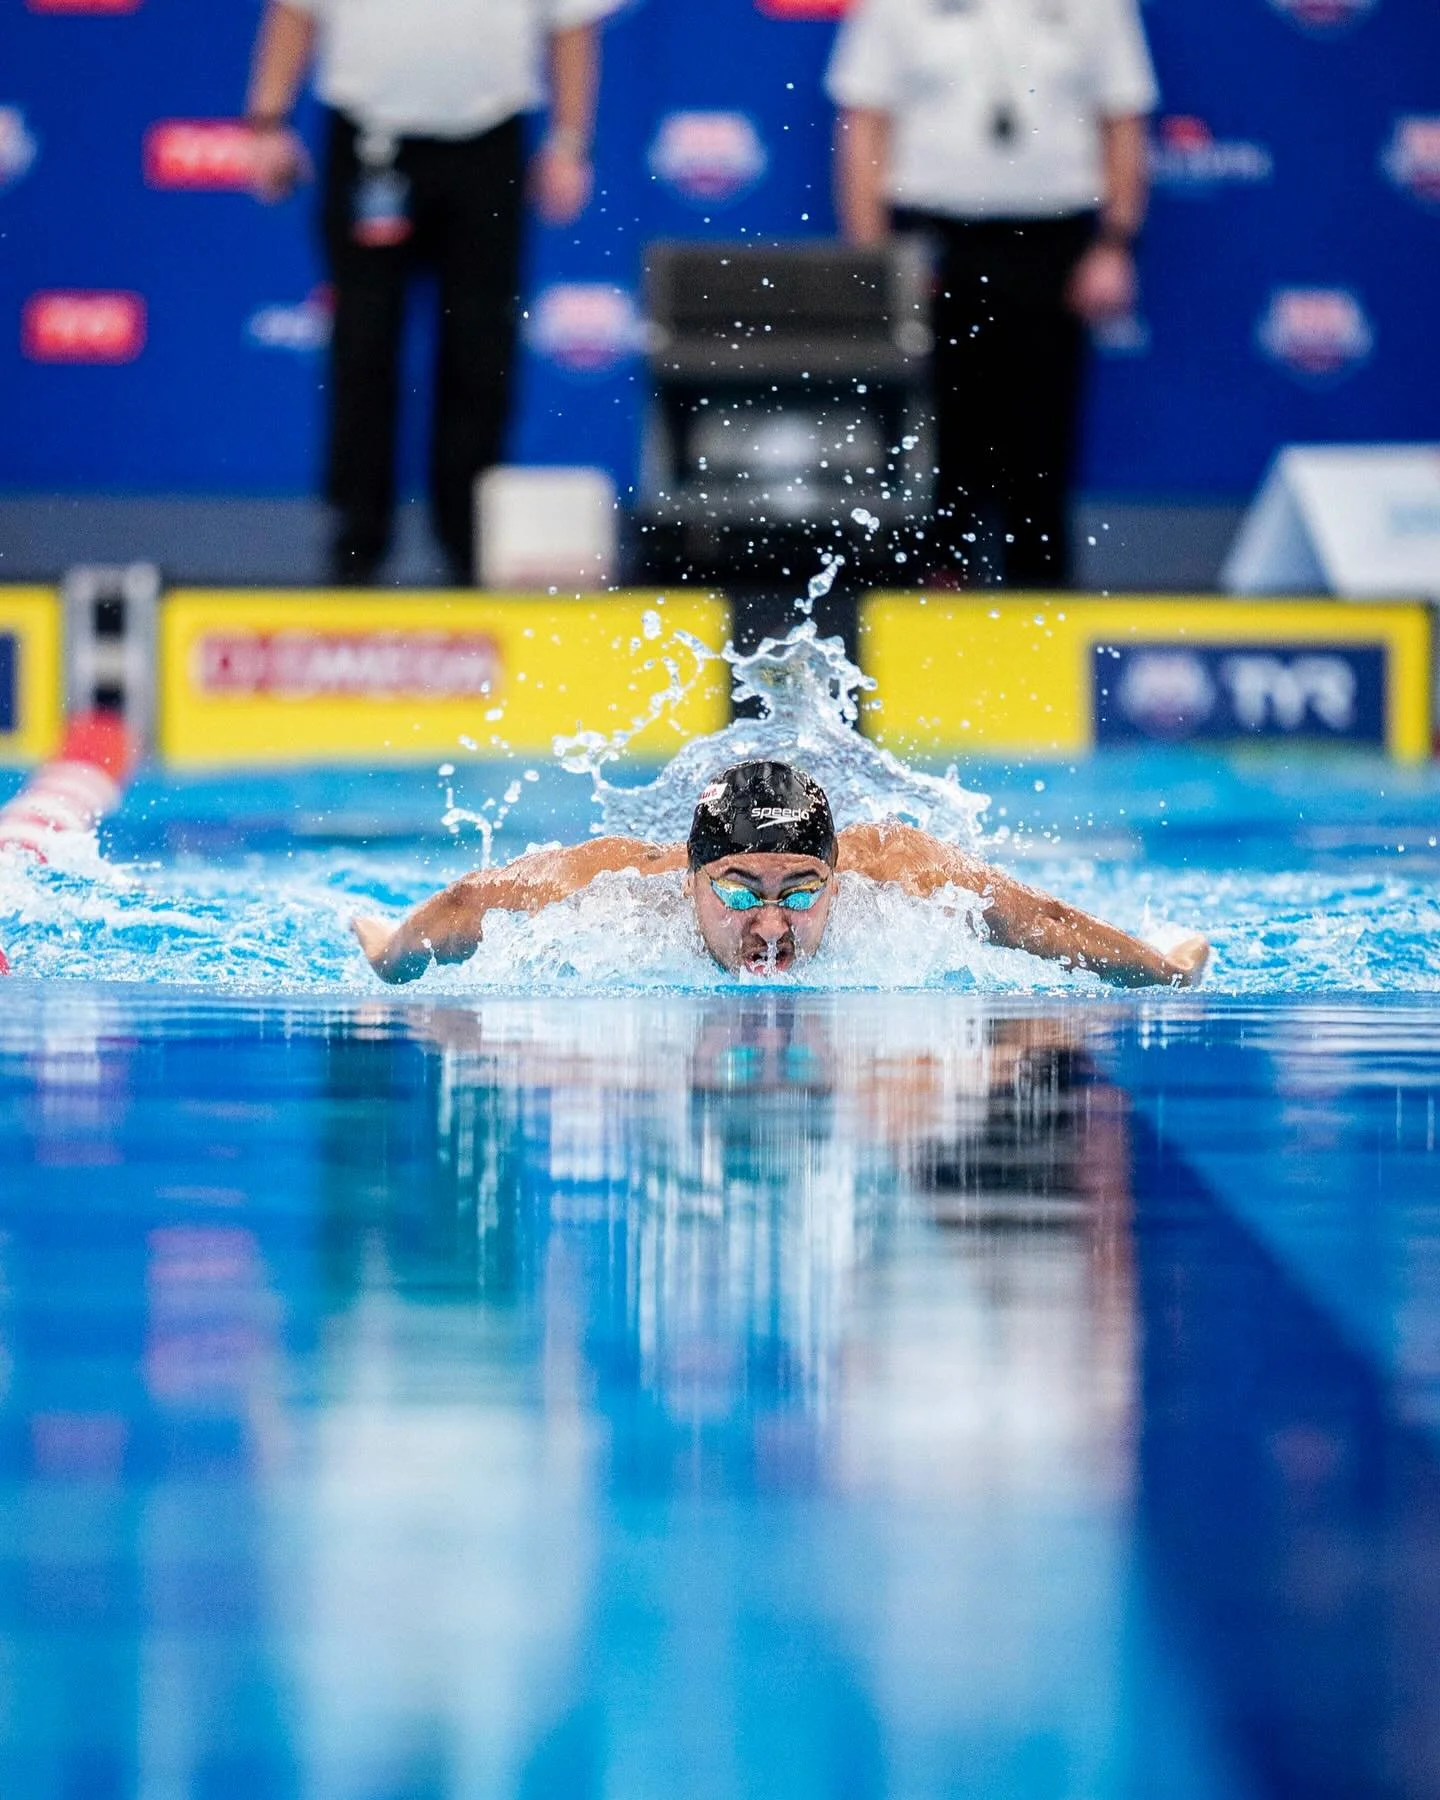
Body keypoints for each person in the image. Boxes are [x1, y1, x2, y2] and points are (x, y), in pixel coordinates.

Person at [245, 0, 612, 585]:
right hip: (370, 139)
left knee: (480, 347)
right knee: (364, 340)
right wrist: (268, 121)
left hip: (489, 141)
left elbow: (572, 22)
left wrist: (570, 142)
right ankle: (357, 538)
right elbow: (294, 10)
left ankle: (470, 536)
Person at [826, 0, 1159, 587]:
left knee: (1041, 445)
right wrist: (876, 260)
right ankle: (933, 603)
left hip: (1053, 243)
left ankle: (1042, 604)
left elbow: (1124, 120)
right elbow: (864, 123)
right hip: (934, 241)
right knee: (935, 444)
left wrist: (1115, 244)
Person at [352, 759, 1209, 987]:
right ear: (689, 881)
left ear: (838, 878)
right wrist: (392, 951)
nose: (770, 928)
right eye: (737, 891)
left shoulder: (896, 875)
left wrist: (1164, 968)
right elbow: (470, 900)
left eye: (802, 891)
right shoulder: (618, 891)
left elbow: (1042, 919)